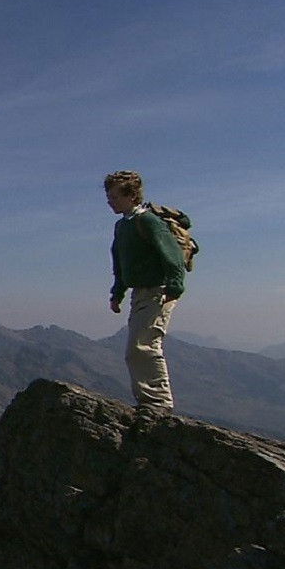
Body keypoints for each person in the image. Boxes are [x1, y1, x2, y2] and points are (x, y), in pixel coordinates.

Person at [104, 170, 185, 411]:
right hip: (140, 293)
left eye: (114, 196)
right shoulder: (122, 226)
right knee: (137, 348)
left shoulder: (148, 222)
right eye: (109, 196)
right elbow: (119, 264)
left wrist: (175, 285)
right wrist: (117, 294)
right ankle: (151, 402)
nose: (110, 201)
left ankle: (158, 403)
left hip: (156, 291)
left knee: (143, 345)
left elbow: (172, 256)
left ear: (131, 196)